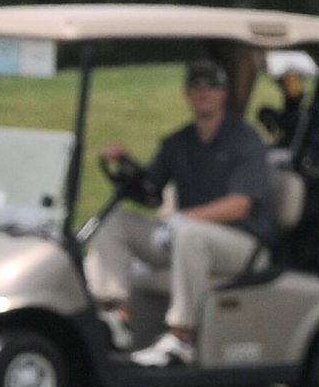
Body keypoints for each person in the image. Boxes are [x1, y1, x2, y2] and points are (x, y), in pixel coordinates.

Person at [89, 59, 276, 368]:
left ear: (223, 93)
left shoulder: (244, 140)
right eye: (197, 87)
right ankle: (118, 316)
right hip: (186, 235)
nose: (204, 93)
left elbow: (239, 205)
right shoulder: (178, 142)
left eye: (212, 87)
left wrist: (184, 219)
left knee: (189, 234)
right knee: (114, 221)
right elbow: (151, 191)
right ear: (187, 94)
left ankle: (181, 337)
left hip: (243, 243)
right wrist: (125, 164)